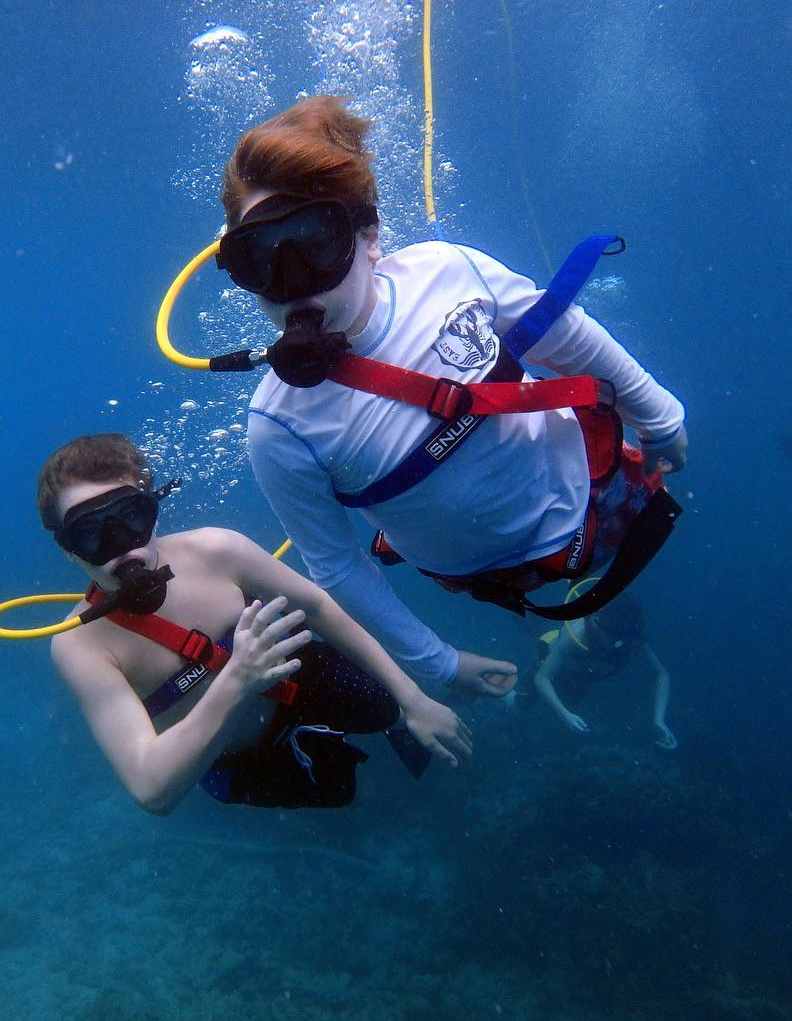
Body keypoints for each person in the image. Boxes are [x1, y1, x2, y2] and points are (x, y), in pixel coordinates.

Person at [214, 96, 687, 700]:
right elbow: (335, 564)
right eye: (260, 260)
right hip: (494, 579)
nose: (293, 279)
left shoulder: (445, 270)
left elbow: (563, 332)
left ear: (370, 237)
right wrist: (437, 663)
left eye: (314, 240)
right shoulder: (277, 426)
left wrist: (659, 417)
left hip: (600, 489)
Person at [37, 433, 474, 816]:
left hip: (306, 682)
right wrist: (237, 680)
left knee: (394, 713)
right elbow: (152, 789)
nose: (119, 546)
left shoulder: (217, 550)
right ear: (68, 551)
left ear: (152, 511)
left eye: (131, 517)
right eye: (89, 533)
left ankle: (398, 724)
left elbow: (319, 608)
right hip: (243, 758)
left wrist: (413, 700)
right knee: (358, 797)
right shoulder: (82, 647)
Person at [531, 595, 677, 749]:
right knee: (519, 706)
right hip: (552, 658)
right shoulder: (576, 636)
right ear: (599, 624)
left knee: (572, 705)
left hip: (582, 676)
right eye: (614, 638)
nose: (617, 644)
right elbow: (542, 678)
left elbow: (661, 675)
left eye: (623, 639)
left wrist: (660, 720)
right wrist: (565, 715)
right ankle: (504, 687)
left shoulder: (628, 637)